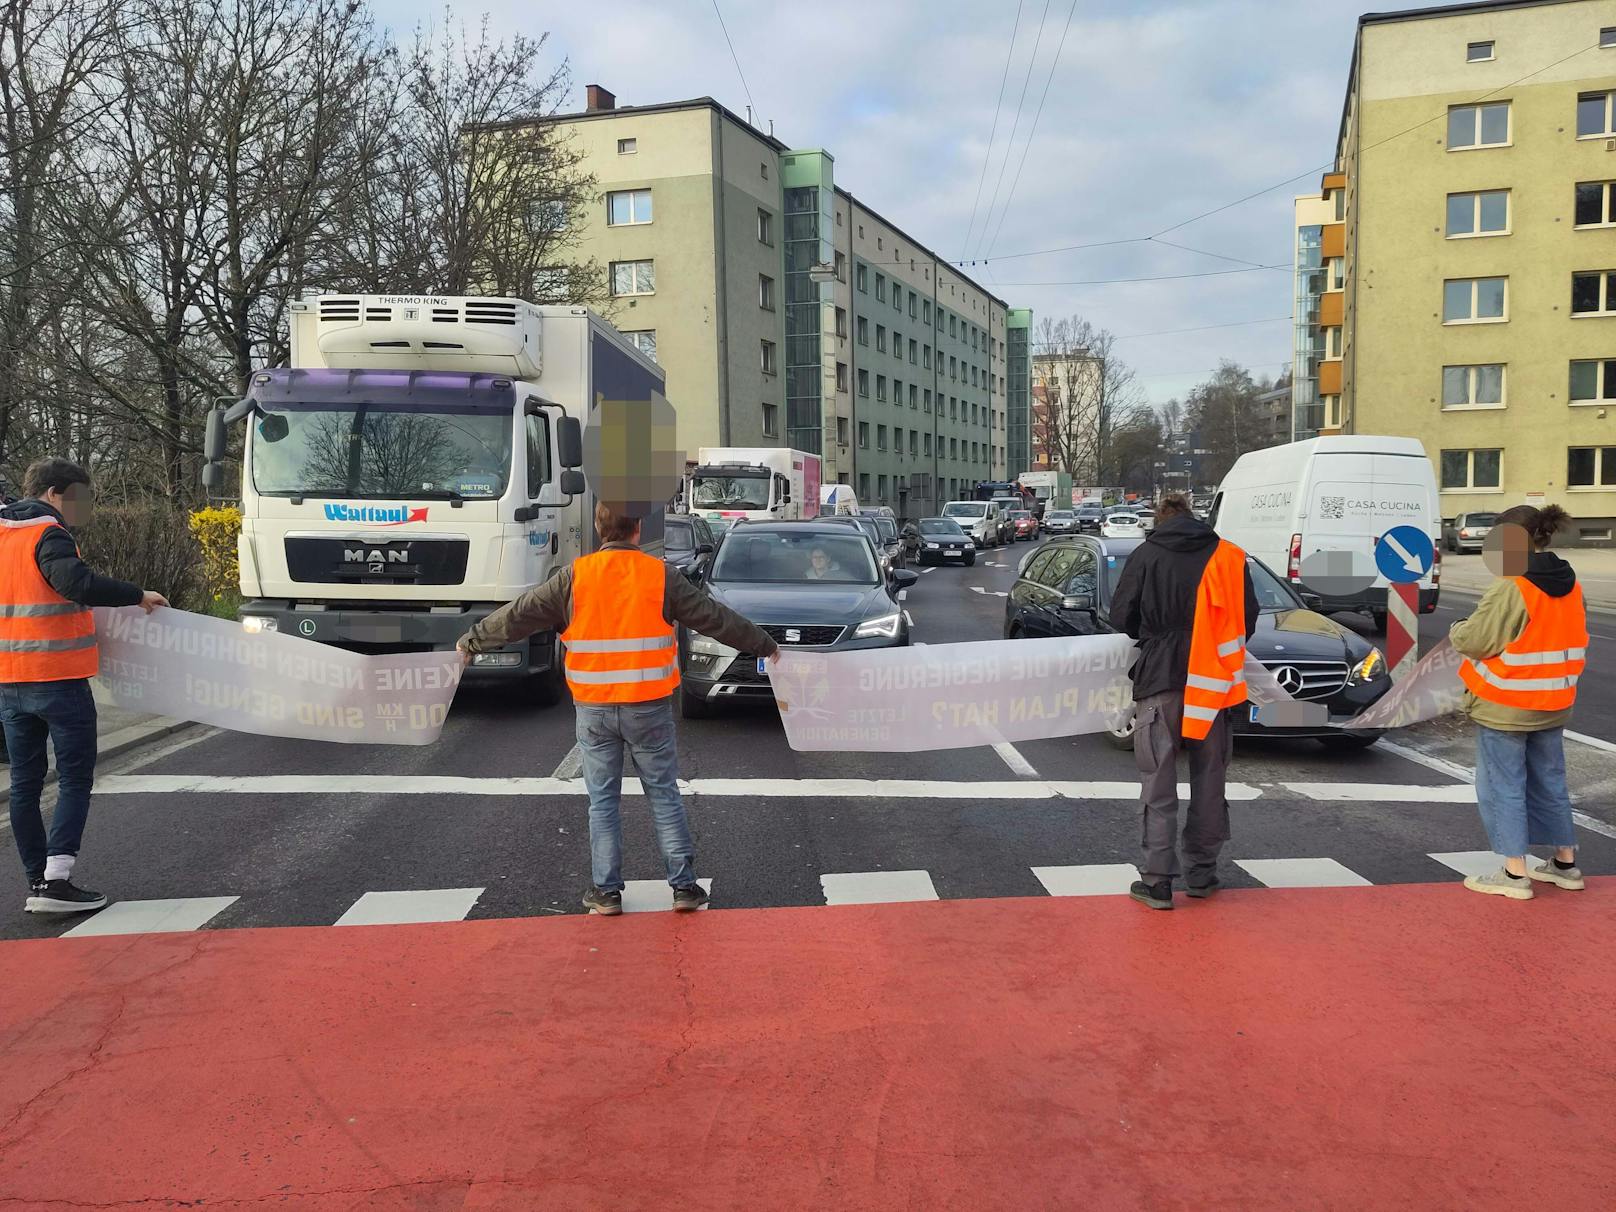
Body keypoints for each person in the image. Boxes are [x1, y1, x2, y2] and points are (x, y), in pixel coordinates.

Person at [458, 503, 780, 916]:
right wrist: (764, 645)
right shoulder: (660, 576)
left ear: (598, 528)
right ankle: (683, 887)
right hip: (648, 707)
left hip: (593, 708)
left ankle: (606, 892)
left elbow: (520, 615)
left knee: (603, 800)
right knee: (664, 794)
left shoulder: (574, 577)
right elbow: (714, 618)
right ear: (637, 530)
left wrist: (473, 640)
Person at [3, 458, 168, 914]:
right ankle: (57, 881)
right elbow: (75, 583)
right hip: (57, 678)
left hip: (10, 681)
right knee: (74, 778)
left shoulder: (2, 537)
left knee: (24, 784)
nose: (82, 509)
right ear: (55, 493)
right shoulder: (49, 534)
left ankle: (38, 881)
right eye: (78, 498)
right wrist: (137, 595)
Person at [1109, 492, 1258, 910]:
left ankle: (1157, 882)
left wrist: (1157, 632)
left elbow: (1122, 617)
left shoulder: (1146, 554)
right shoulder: (1228, 556)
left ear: (1161, 518)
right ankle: (1202, 874)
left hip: (1161, 678)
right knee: (1209, 778)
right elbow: (1247, 619)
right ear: (1194, 516)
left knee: (1157, 780)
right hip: (1213, 682)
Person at [1450, 505, 1586, 900]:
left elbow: (1477, 640)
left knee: (1504, 785)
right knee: (1551, 781)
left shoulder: (1514, 585)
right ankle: (1564, 864)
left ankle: (1513, 874)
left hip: (1507, 704)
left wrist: (1459, 628)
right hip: (1554, 700)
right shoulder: (1569, 581)